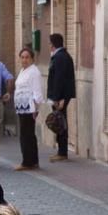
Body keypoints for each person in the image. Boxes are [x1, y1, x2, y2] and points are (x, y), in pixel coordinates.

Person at [13, 47, 45, 171]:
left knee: (26, 135)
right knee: (28, 134)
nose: (24, 60)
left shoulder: (34, 72)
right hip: (22, 107)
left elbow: (37, 90)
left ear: (32, 58)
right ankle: (33, 160)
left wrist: (36, 109)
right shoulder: (23, 70)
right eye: (22, 57)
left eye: (27, 57)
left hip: (29, 108)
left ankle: (27, 162)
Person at [46, 33, 76, 162]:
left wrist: (59, 98)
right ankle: (61, 150)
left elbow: (60, 79)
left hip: (60, 97)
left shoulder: (60, 57)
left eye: (49, 43)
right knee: (59, 121)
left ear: (52, 44)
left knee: (60, 122)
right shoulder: (61, 56)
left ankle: (62, 152)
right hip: (60, 96)